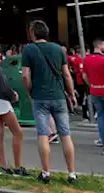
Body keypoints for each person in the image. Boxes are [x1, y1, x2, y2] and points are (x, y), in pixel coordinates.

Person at [21, 20, 78, 185]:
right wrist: (71, 93)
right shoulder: (58, 49)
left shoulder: (29, 50)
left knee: (43, 135)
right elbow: (66, 74)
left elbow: (25, 75)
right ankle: (72, 173)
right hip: (59, 96)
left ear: (33, 32)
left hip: (40, 97)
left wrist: (30, 91)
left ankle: (46, 173)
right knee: (66, 135)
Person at [0, 43, 27, 176]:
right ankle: (18, 166)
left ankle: (3, 166)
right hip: (2, 101)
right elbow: (4, 86)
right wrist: (13, 95)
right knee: (17, 133)